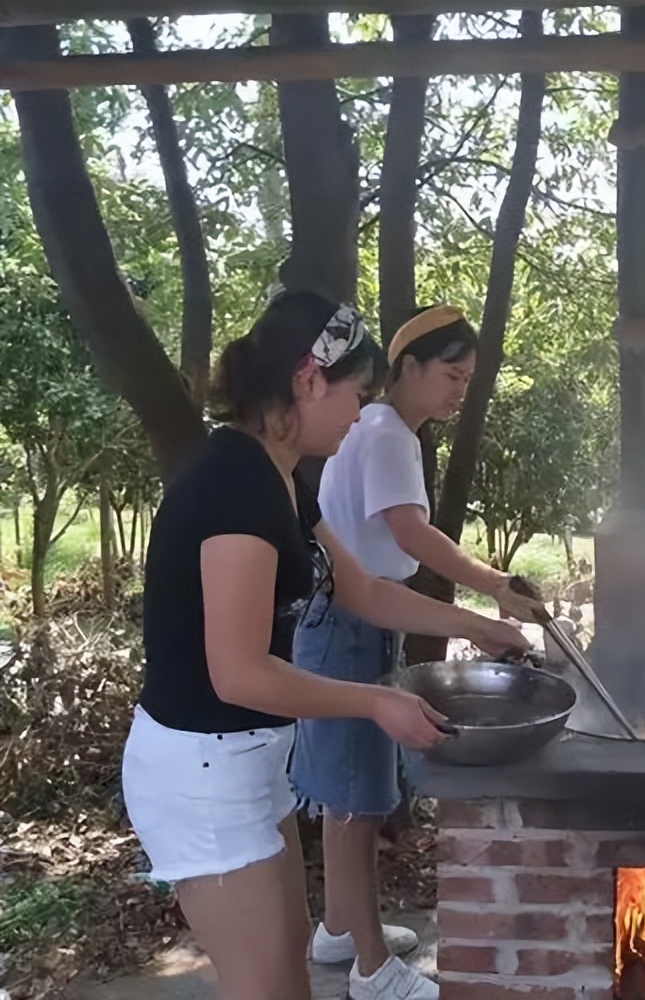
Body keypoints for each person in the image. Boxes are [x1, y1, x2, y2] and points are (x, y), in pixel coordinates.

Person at [121, 291, 529, 1000]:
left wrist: (480, 625)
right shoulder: (232, 486)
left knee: (289, 984)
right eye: (355, 394)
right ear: (309, 380)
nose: (357, 413)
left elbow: (362, 591)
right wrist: (376, 700)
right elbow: (239, 672)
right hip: (203, 771)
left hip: (250, 762)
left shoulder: (280, 478)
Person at [291, 305, 546, 1000]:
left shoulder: (374, 428)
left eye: (469, 378)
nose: (460, 390)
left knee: (352, 795)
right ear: (407, 368)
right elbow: (411, 536)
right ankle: (373, 970)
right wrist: (493, 590)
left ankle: (341, 930)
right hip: (347, 625)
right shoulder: (389, 434)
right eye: (451, 374)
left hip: (349, 618)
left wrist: (486, 601)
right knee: (353, 804)